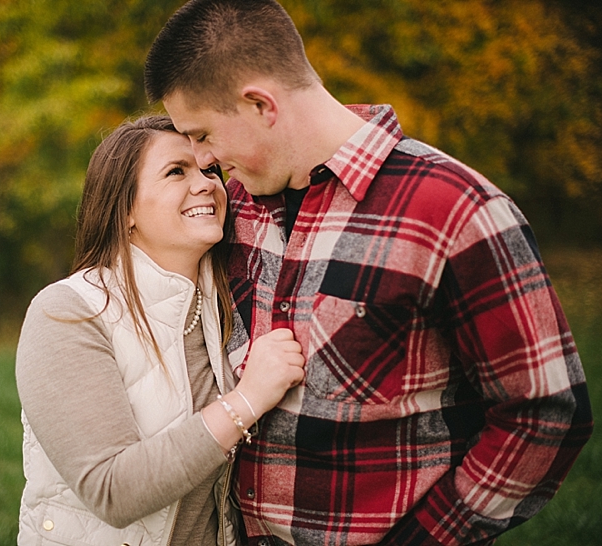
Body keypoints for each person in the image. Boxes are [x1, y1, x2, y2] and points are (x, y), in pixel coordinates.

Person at [144, 1, 594, 545]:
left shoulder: (454, 210)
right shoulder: (230, 207)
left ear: (260, 104)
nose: (203, 159)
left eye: (202, 135)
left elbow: (543, 411)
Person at [15, 114, 305, 546]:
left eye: (210, 170)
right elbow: (112, 489)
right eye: (176, 171)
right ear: (126, 209)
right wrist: (247, 399)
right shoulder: (68, 312)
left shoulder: (227, 303)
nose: (207, 183)